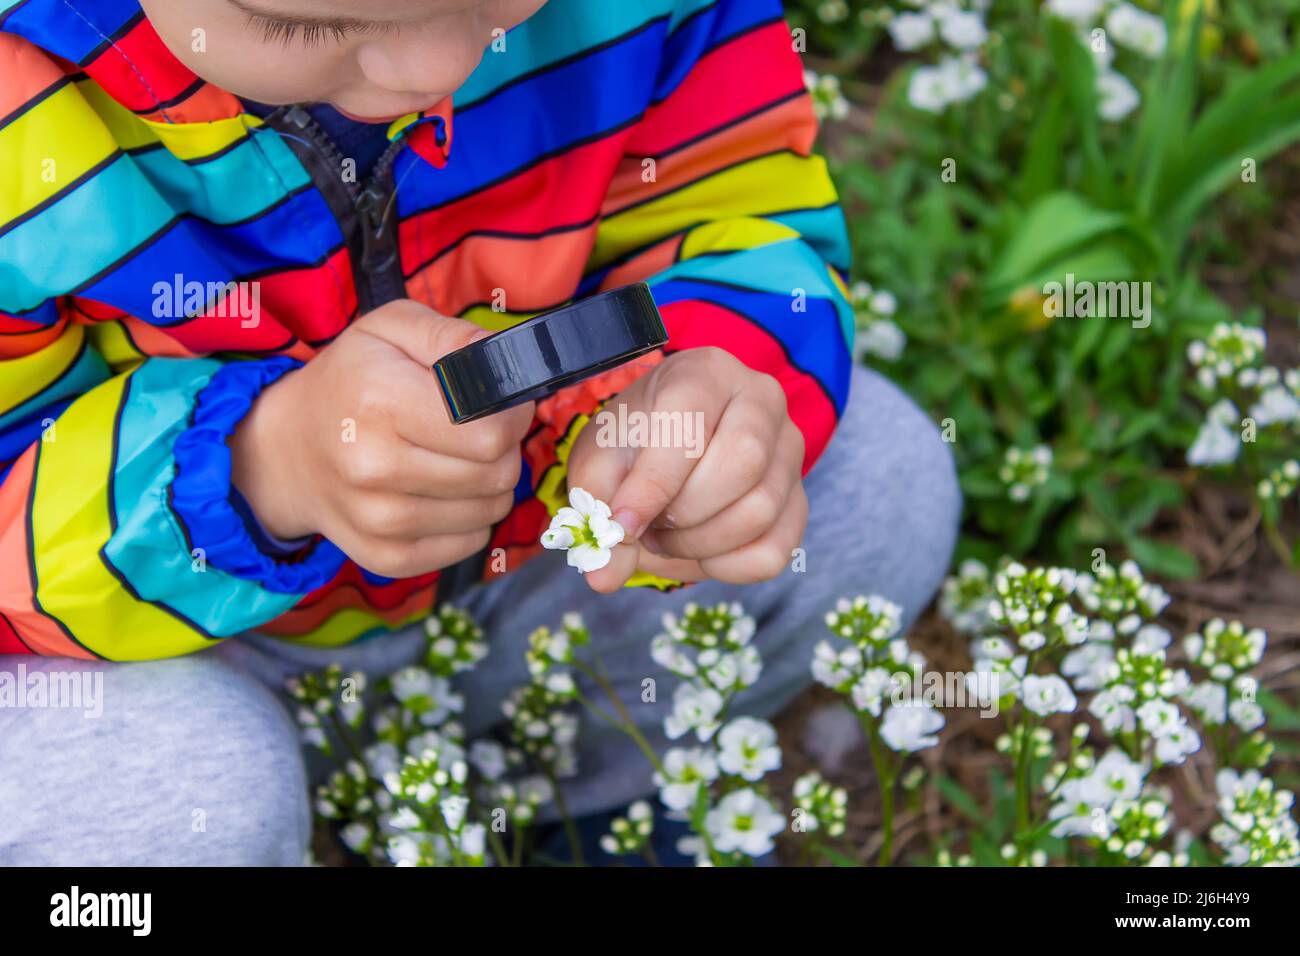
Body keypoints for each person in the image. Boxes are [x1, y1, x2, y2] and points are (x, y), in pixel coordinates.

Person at [0, 0, 959, 864]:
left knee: (883, 485)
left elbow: (732, 208)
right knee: (176, 797)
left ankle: (580, 801)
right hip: (155, 663)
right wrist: (254, 471)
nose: (436, 67)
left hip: (518, 599)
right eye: (301, 26)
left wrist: (704, 390)